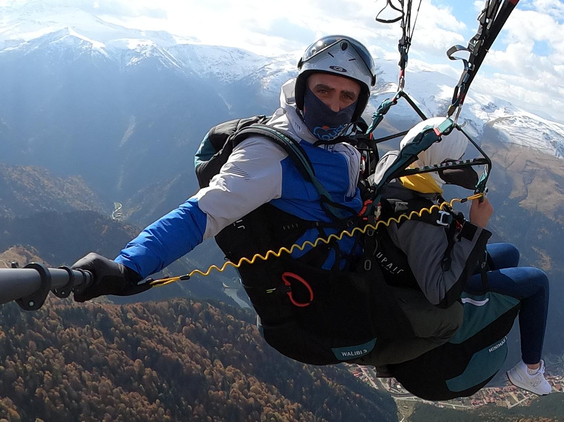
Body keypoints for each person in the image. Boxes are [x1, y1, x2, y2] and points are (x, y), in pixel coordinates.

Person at [71, 35, 439, 366]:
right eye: (324, 91)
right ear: (301, 90)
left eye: (347, 97)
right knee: (454, 316)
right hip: (329, 295)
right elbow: (200, 214)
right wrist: (127, 267)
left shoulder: (339, 141)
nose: (335, 106)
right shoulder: (270, 155)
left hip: (355, 262)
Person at [373, 117, 553, 396]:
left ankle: (491, 311)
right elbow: (440, 292)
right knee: (538, 282)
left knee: (509, 253)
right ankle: (530, 371)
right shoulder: (422, 219)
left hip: (409, 267)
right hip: (432, 288)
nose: (456, 166)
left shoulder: (395, 170)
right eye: (453, 160)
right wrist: (474, 228)